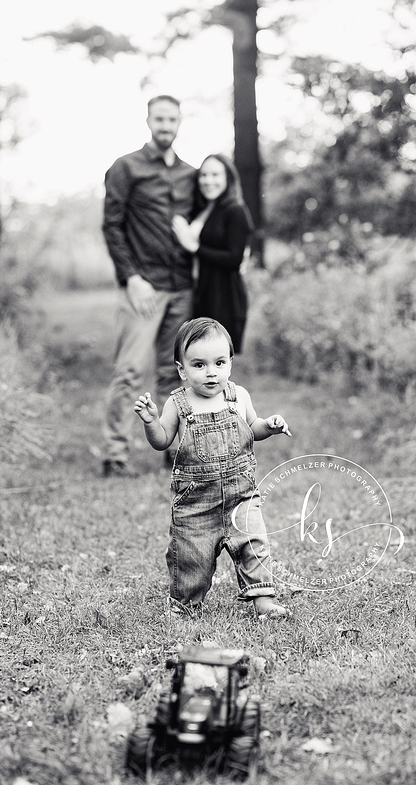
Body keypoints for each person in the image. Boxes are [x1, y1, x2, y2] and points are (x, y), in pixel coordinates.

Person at [133, 317, 291, 618]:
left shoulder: (238, 397)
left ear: (230, 364)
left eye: (219, 363)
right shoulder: (178, 404)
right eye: (199, 365)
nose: (211, 373)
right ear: (182, 369)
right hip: (196, 503)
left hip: (241, 496)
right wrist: (152, 422)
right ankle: (184, 605)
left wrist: (269, 426)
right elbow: (163, 441)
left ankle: (263, 600)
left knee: (254, 544)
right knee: (192, 555)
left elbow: (252, 426)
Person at [101, 95, 196, 477]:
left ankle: (173, 451)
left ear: (179, 121)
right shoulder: (126, 168)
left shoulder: (191, 174)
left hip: (182, 287)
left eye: (172, 118)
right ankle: (114, 454)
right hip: (144, 287)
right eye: (159, 118)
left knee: (174, 373)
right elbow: (112, 226)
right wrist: (132, 277)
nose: (165, 125)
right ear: (147, 120)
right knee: (129, 370)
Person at [171, 154, 253, 354]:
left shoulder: (235, 210)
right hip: (201, 292)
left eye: (215, 175)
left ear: (228, 178)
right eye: (204, 175)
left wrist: (194, 248)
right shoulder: (205, 209)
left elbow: (234, 259)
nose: (208, 181)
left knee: (214, 362)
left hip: (223, 297)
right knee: (197, 359)